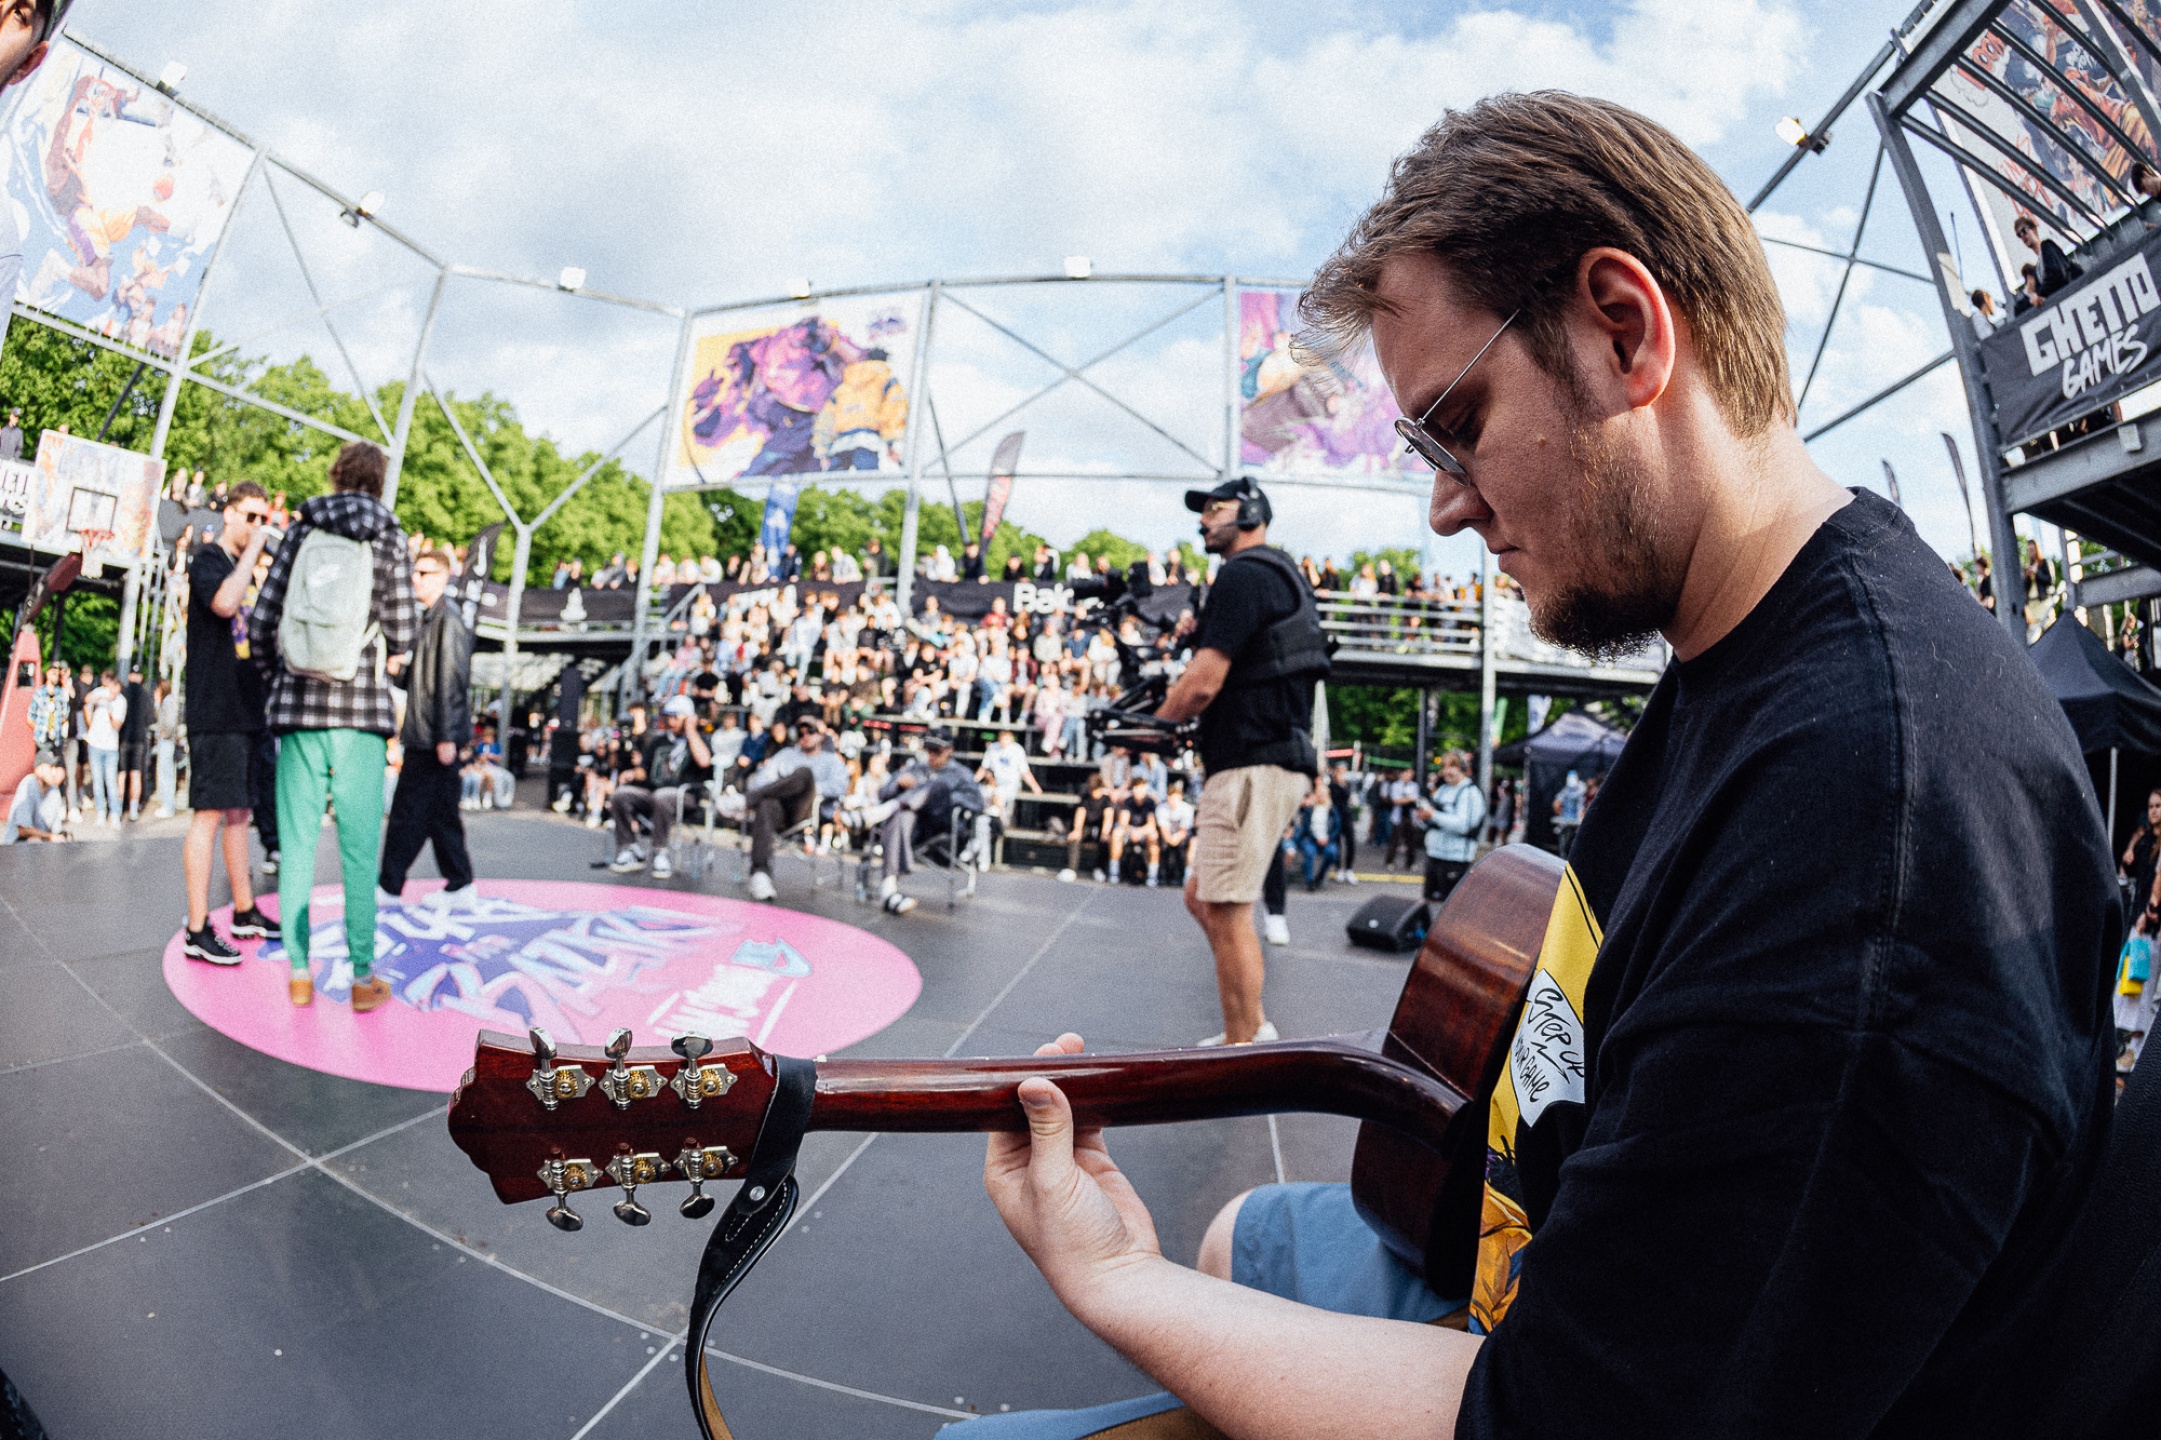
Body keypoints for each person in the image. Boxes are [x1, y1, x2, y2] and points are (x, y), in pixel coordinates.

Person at [964, 91, 2115, 1440]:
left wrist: (1114, 1278)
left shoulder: (1864, 824)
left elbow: (1560, 1419)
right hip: (1528, 1254)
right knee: (1241, 1233)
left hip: (1544, 1383)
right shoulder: (1747, 643)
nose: (1443, 504)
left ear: (1623, 331)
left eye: (1458, 423)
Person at [1153, 474, 1330, 1047]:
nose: (1203, 520)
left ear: (1251, 512)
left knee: (1226, 908)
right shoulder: (1272, 575)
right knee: (1203, 897)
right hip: (1263, 761)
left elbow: (1202, 683)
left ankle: (1241, 1045)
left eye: (1216, 509)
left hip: (1252, 764)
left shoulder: (1243, 574)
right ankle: (1252, 1026)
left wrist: (1155, 725)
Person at [247, 441, 418, 1010]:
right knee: (359, 851)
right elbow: (405, 630)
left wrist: (280, 678)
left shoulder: (302, 529)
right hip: (361, 718)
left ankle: (299, 973)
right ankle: (362, 977)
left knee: (296, 846)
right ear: (379, 482)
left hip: (298, 714)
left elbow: (263, 620)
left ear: (336, 474)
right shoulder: (389, 535)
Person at [180, 482, 280, 964]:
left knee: (240, 813)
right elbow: (223, 603)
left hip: (246, 710)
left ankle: (244, 909)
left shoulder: (246, 573)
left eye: (264, 519)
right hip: (215, 708)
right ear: (230, 514)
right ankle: (197, 927)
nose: (258, 526)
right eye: (251, 516)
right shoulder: (209, 559)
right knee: (209, 813)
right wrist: (254, 554)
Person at [377, 550, 475, 910]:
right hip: (428, 735)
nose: (416, 578)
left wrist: (447, 736)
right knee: (440, 814)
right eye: (414, 572)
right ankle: (459, 882)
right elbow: (422, 680)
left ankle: (390, 886)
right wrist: (398, 670)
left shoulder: (447, 619)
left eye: (424, 572)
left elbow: (451, 680)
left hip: (432, 737)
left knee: (408, 813)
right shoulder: (431, 619)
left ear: (445, 576)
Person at [717, 717, 843, 900]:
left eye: (810, 731)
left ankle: (744, 801)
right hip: (779, 809)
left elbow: (839, 787)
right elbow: (760, 780)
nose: (805, 736)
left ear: (821, 736)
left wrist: (805, 786)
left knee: (804, 774)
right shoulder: (786, 755)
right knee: (766, 804)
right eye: (800, 733)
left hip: (806, 811)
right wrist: (783, 786)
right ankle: (760, 874)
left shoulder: (831, 760)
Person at [861, 728, 984, 914]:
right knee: (903, 814)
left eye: (937, 751)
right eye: (928, 750)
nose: (931, 755)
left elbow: (977, 803)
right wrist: (899, 784)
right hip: (913, 826)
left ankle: (882, 811)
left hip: (941, 825)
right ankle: (888, 889)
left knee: (937, 786)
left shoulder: (961, 773)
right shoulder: (915, 767)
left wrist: (940, 796)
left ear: (950, 750)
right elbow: (883, 792)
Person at [606, 694, 713, 881]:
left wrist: (691, 730)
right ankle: (629, 848)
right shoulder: (659, 741)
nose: (671, 721)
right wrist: (632, 773)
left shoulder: (699, 740)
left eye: (675, 717)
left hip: (684, 796)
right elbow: (644, 770)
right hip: (654, 793)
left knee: (662, 796)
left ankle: (660, 852)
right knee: (620, 795)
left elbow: (704, 761)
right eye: (668, 717)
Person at [1416, 750, 1485, 901]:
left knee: (1448, 905)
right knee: (1429, 900)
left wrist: (1434, 815)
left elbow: (1463, 825)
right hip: (1434, 853)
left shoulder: (1470, 792)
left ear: (1463, 769)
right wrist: (1424, 817)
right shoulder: (1443, 790)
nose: (1447, 771)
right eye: (1444, 766)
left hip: (1455, 858)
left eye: (1452, 766)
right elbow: (1432, 820)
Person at [81, 668, 122, 825]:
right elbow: (87, 700)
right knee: (97, 781)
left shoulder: (121, 701)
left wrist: (110, 710)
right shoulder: (100, 692)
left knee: (111, 781)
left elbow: (116, 725)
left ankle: (115, 813)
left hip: (111, 746)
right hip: (95, 744)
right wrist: (102, 697)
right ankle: (101, 811)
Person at [2, 751, 67, 843]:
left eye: (55, 767)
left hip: (43, 842)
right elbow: (23, 830)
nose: (54, 772)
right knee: (34, 841)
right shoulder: (28, 784)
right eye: (50, 767)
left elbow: (56, 829)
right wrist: (50, 837)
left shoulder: (54, 790)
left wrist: (60, 837)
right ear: (38, 770)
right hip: (17, 844)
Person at [1292, 773, 1341, 889]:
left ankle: (1321, 875)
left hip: (1327, 839)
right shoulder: (1310, 809)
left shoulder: (1331, 810)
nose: (1320, 797)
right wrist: (1315, 838)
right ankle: (1309, 881)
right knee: (1309, 852)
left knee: (1332, 853)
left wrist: (1328, 838)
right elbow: (1306, 826)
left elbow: (1337, 826)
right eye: (1318, 795)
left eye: (1322, 795)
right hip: (1312, 839)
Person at [116, 662, 149, 820]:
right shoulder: (145, 695)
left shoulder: (122, 692)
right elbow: (150, 718)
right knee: (136, 773)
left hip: (123, 738)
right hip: (139, 739)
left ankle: (118, 807)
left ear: (129, 676)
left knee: (121, 774)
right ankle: (134, 808)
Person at [151, 678, 179, 817]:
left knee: (165, 773)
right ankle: (167, 804)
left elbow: (170, 722)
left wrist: (164, 734)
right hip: (165, 741)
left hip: (166, 741)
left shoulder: (169, 702)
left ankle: (168, 806)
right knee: (164, 772)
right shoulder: (166, 702)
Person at [1552, 768, 1587, 857]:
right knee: (1564, 842)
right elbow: (1556, 804)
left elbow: (1581, 807)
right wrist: (1560, 814)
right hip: (1566, 821)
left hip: (1575, 822)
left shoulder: (1581, 789)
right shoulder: (1567, 789)